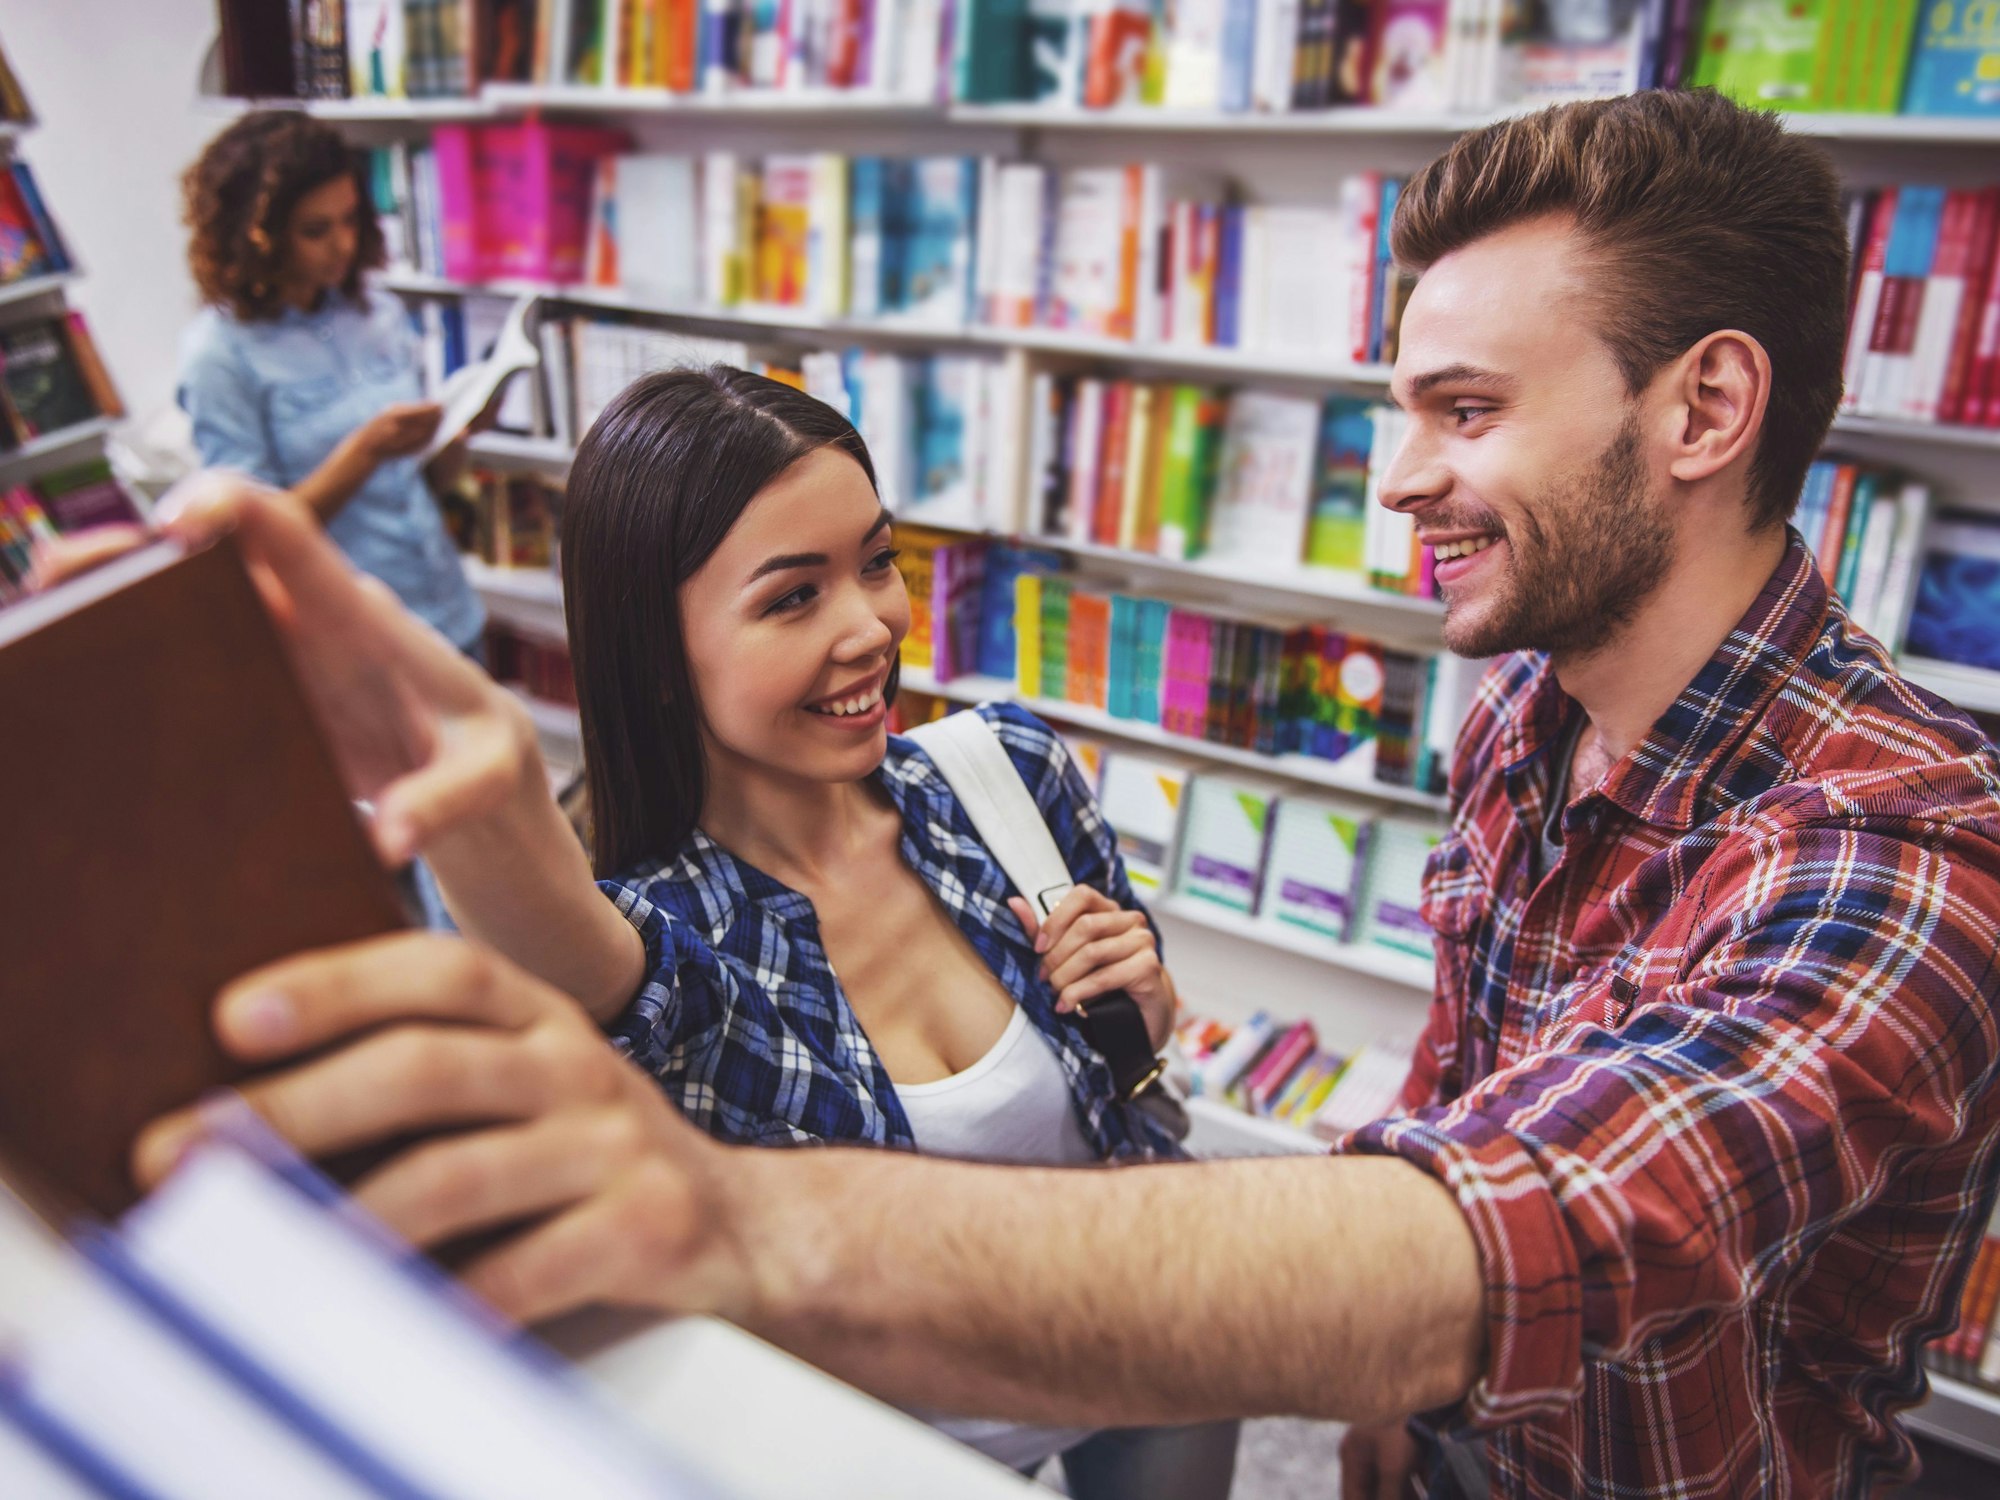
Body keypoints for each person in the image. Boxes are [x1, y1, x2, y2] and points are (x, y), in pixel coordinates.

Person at [134, 89, 2000, 1500]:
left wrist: (734, 1224)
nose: (1399, 482)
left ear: (1701, 411)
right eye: (1399, 411)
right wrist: (1388, 1420)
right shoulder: (1529, 706)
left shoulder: (1904, 850)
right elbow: (1475, 1085)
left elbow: (1531, 1231)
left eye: (1464, 411)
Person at [147, 367, 1237, 1496]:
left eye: (875, 561)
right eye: (790, 597)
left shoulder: (1007, 772)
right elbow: (588, 959)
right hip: (902, 1457)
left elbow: (1128, 1079)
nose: (871, 627)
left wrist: (1140, 1017)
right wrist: (474, 795)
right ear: (656, 652)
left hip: (1150, 1352)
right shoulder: (676, 931)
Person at [176, 110, 484, 656]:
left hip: (445, 607)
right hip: (351, 637)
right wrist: (364, 451)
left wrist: (453, 438)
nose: (343, 245)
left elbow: (424, 484)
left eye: (350, 221)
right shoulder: (219, 356)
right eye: (316, 230)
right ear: (256, 237)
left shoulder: (377, 313)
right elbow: (252, 540)